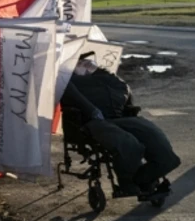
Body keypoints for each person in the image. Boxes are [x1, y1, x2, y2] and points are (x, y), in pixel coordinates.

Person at [61, 55, 180, 196]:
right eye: (81, 62)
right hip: (92, 122)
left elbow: (125, 92)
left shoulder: (109, 78)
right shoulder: (67, 81)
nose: (86, 64)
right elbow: (72, 95)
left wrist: (97, 70)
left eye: (88, 62)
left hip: (119, 118)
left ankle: (143, 179)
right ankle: (128, 183)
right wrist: (92, 110)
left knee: (160, 146)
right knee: (129, 144)